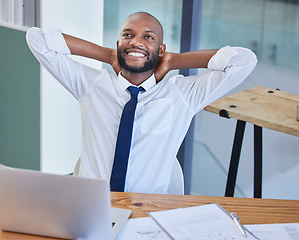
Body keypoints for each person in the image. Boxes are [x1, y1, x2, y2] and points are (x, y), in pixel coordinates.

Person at [26, 12, 257, 194]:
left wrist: (174, 61)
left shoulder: (182, 94)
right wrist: (108, 55)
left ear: (161, 49)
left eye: (148, 37)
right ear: (118, 44)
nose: (136, 42)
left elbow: (244, 61)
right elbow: (37, 39)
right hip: (89, 207)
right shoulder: (91, 85)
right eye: (128, 35)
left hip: (147, 211)